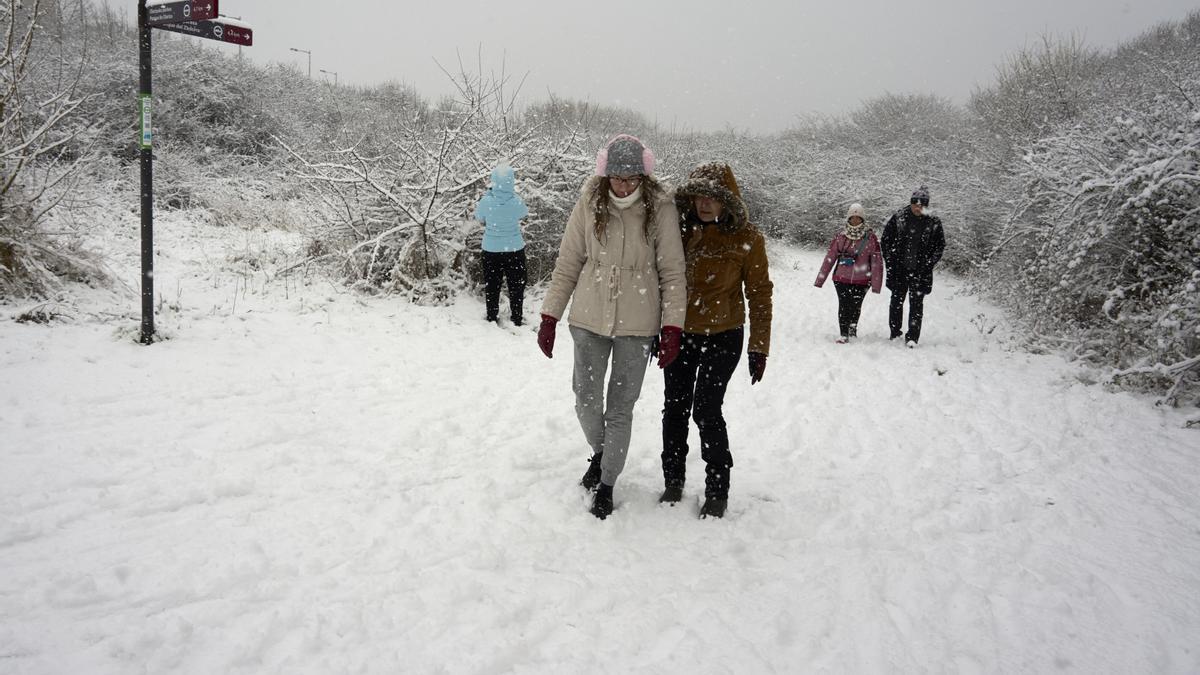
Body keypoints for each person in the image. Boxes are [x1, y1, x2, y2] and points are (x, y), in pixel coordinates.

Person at [537, 134, 687, 520]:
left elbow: (672, 271)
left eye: (632, 177)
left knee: (621, 406)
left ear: (644, 174)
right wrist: (550, 315)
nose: (624, 185)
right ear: (605, 174)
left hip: (638, 323)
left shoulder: (661, 208)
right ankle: (603, 453)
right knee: (585, 398)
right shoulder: (590, 201)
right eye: (618, 177)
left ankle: (607, 483)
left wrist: (672, 326)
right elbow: (569, 259)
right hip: (588, 316)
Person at [660, 162, 773, 519]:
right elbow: (659, 279)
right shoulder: (677, 232)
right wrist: (657, 330)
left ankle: (717, 487)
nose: (704, 204)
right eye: (699, 197)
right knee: (675, 406)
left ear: (728, 202)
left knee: (707, 408)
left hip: (724, 335)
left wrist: (759, 346)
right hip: (681, 331)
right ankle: (673, 479)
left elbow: (759, 293)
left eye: (713, 198)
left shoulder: (748, 238)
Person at [881, 186, 946, 348]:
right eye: (915, 203)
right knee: (896, 302)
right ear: (910, 203)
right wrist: (890, 260)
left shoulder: (933, 222)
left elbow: (940, 245)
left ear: (926, 205)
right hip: (899, 269)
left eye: (922, 204)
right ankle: (895, 333)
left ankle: (912, 337)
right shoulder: (899, 218)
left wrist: (929, 263)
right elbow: (886, 240)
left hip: (921, 272)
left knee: (916, 305)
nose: (918, 207)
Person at [814, 203, 883, 343]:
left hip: (863, 279)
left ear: (863, 219)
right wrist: (820, 279)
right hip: (841, 278)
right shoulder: (841, 236)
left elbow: (877, 262)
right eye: (853, 217)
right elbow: (830, 257)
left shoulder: (870, 238)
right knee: (844, 304)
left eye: (858, 218)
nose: (855, 220)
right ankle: (844, 333)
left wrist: (876, 284)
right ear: (848, 219)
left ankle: (852, 330)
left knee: (856, 306)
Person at [474, 163, 529, 325]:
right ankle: (517, 317)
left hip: (491, 250)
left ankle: (492, 316)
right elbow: (523, 215)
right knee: (516, 285)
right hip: (514, 249)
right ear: (511, 181)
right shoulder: (517, 202)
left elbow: (479, 218)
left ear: (494, 180)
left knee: (492, 285)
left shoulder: (486, 202)